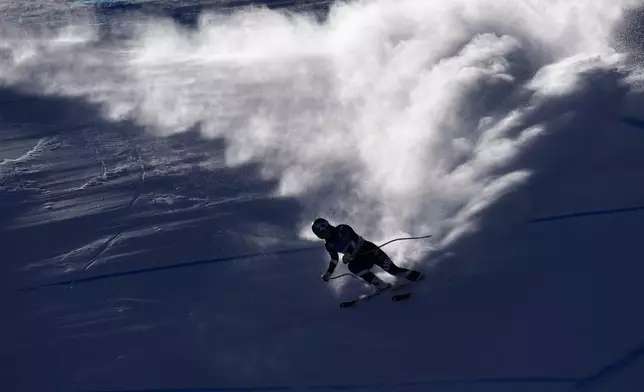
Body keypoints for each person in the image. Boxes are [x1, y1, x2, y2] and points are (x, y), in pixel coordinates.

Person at [311, 218, 424, 292]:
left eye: (321, 233)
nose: (322, 237)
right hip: (360, 259)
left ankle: (418, 277)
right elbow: (334, 260)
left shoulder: (343, 228)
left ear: (326, 228)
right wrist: (328, 273)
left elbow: (353, 240)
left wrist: (349, 253)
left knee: (393, 270)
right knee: (352, 266)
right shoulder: (329, 245)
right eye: (319, 235)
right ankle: (380, 285)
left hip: (369, 250)